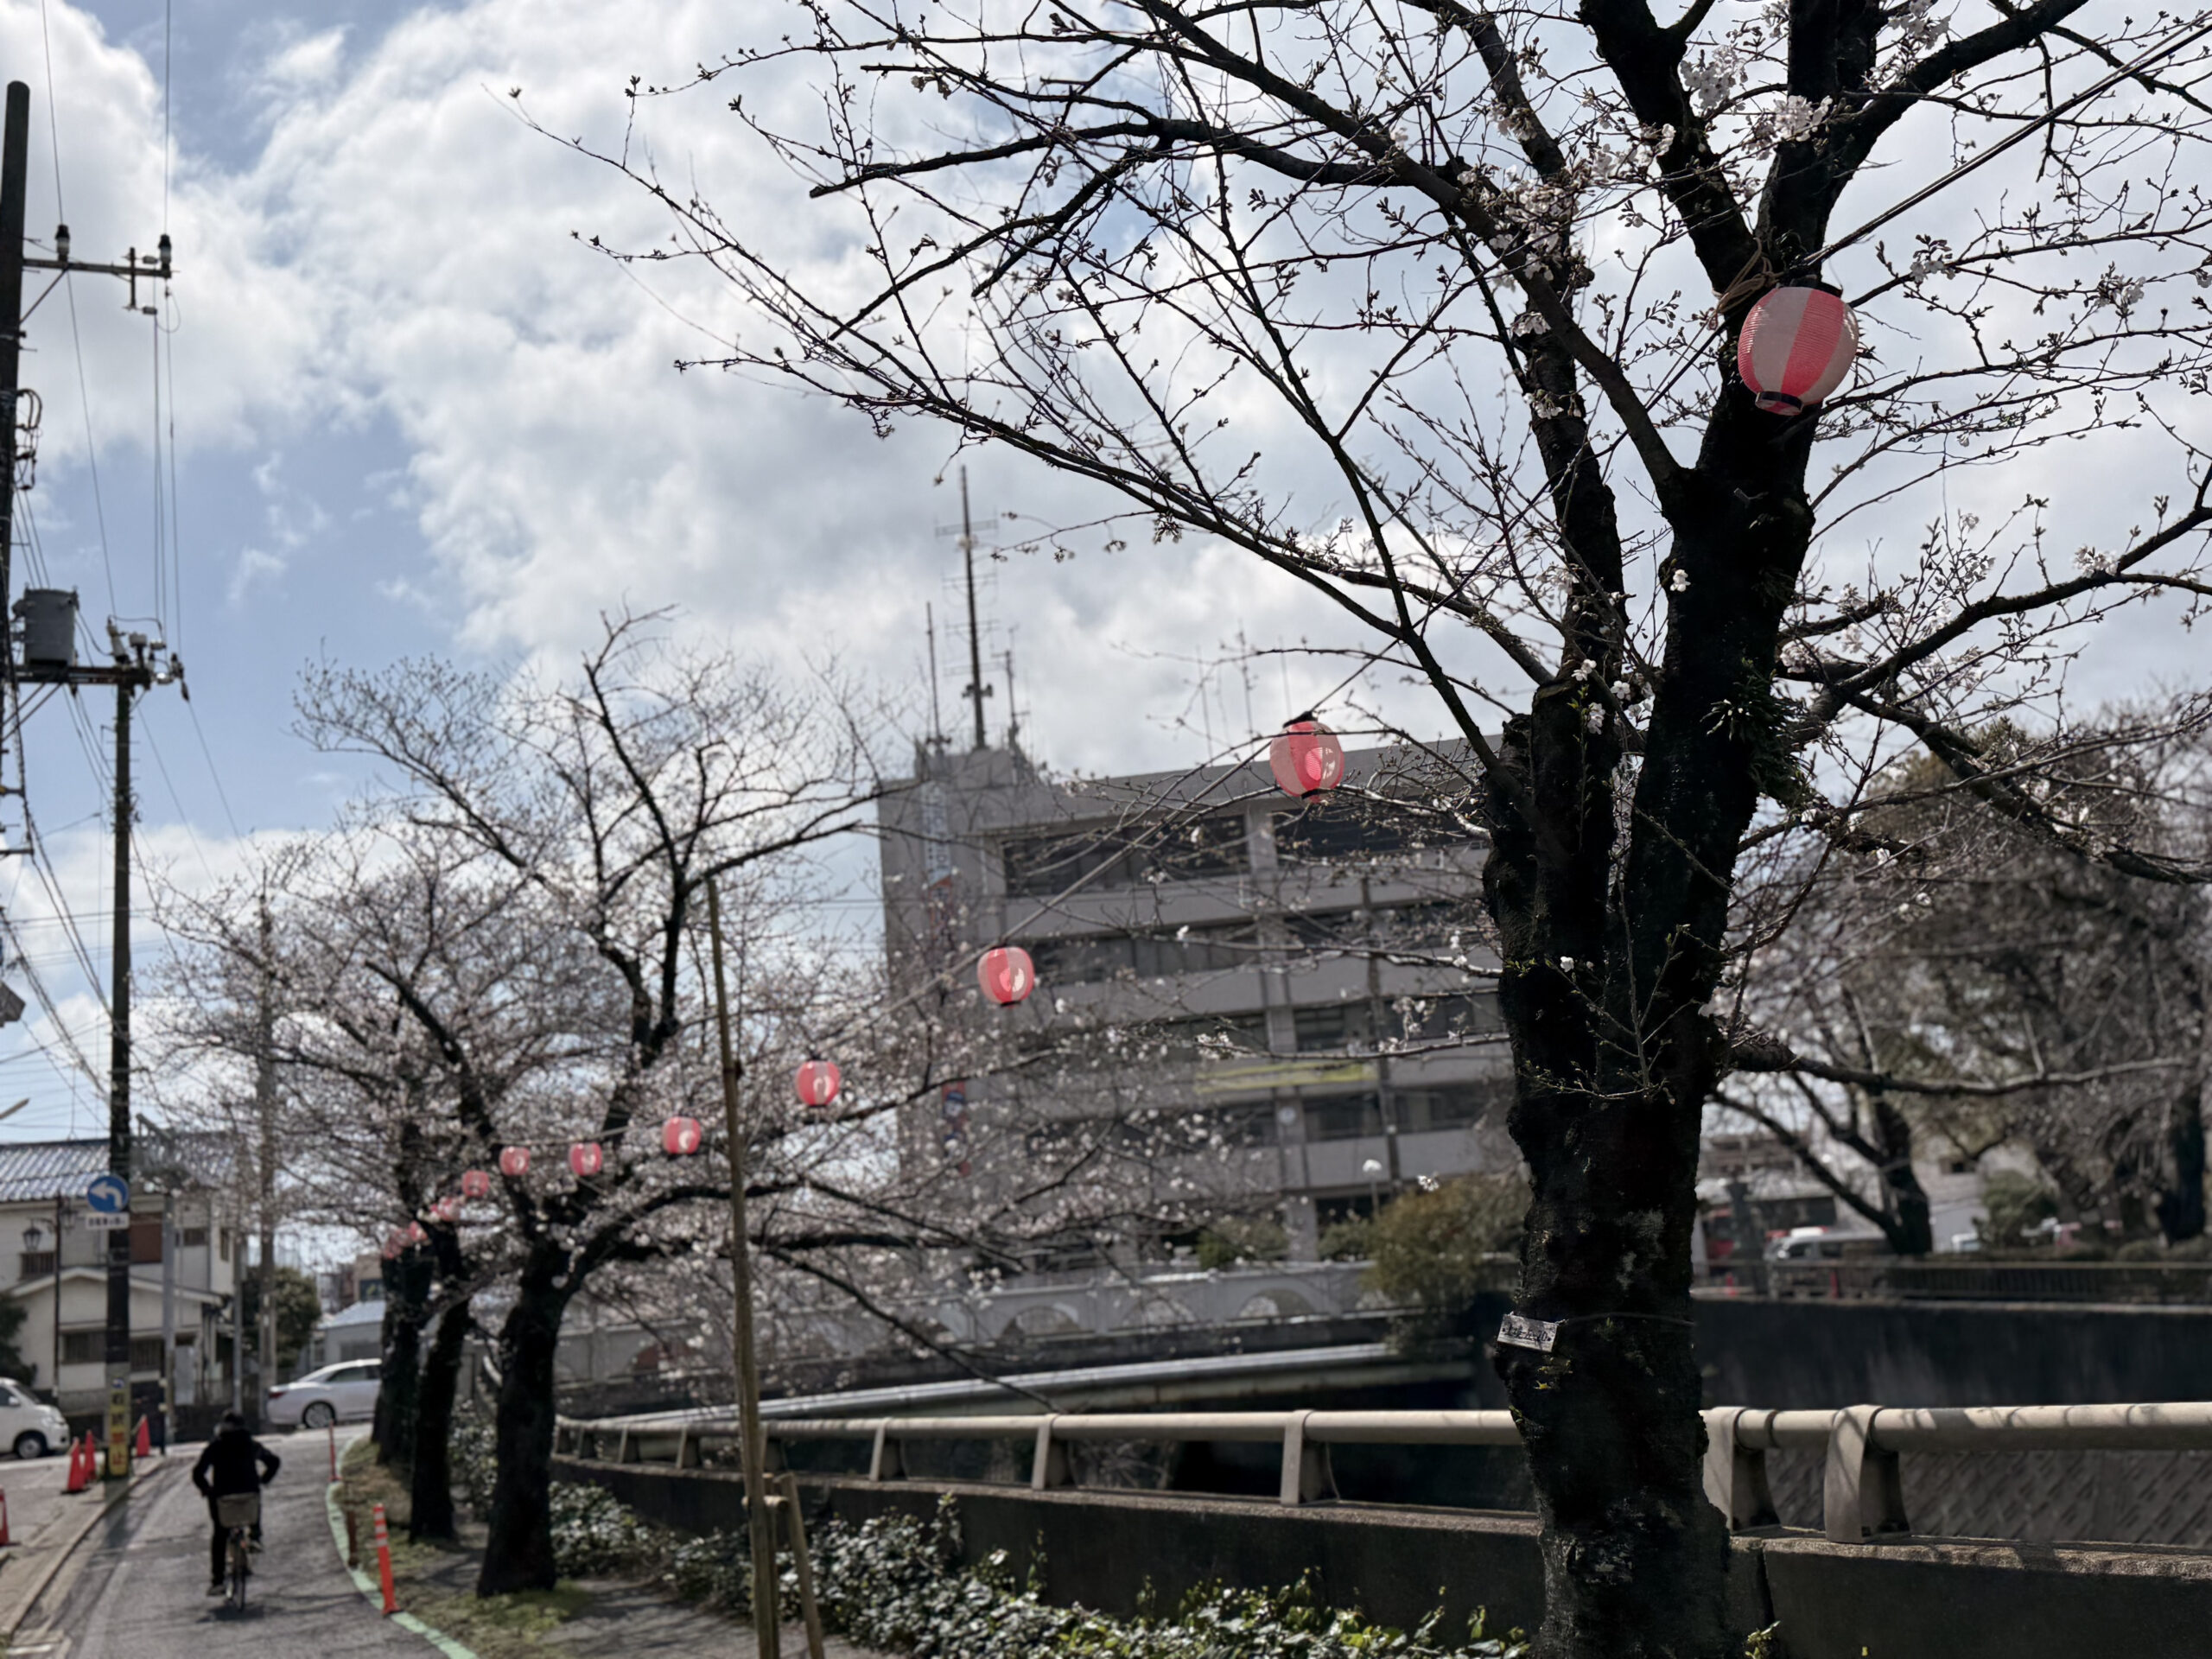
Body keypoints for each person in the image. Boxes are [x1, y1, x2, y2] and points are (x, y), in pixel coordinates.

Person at [191, 1411, 280, 1596]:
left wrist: (206, 1490)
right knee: (253, 1501)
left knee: (219, 1535)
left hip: (223, 1498)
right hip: (249, 1494)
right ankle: (255, 1535)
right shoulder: (251, 1445)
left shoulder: (216, 1446)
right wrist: (263, 1480)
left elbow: (198, 1472)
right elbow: (273, 1461)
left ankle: (218, 1581)